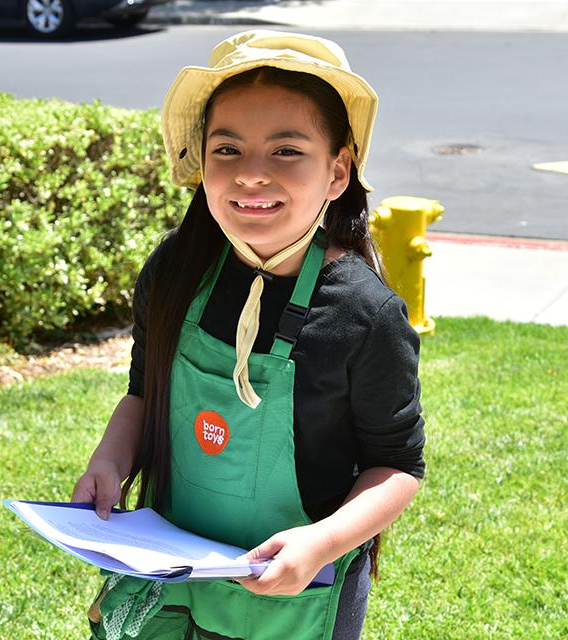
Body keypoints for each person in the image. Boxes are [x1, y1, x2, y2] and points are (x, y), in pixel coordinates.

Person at [72, 30, 426, 640]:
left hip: (296, 593)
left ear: (337, 171)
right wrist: (111, 458)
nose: (251, 176)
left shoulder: (365, 315)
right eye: (227, 150)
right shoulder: (174, 271)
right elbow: (141, 394)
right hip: (169, 574)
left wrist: (321, 543)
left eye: (286, 151)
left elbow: (396, 467)